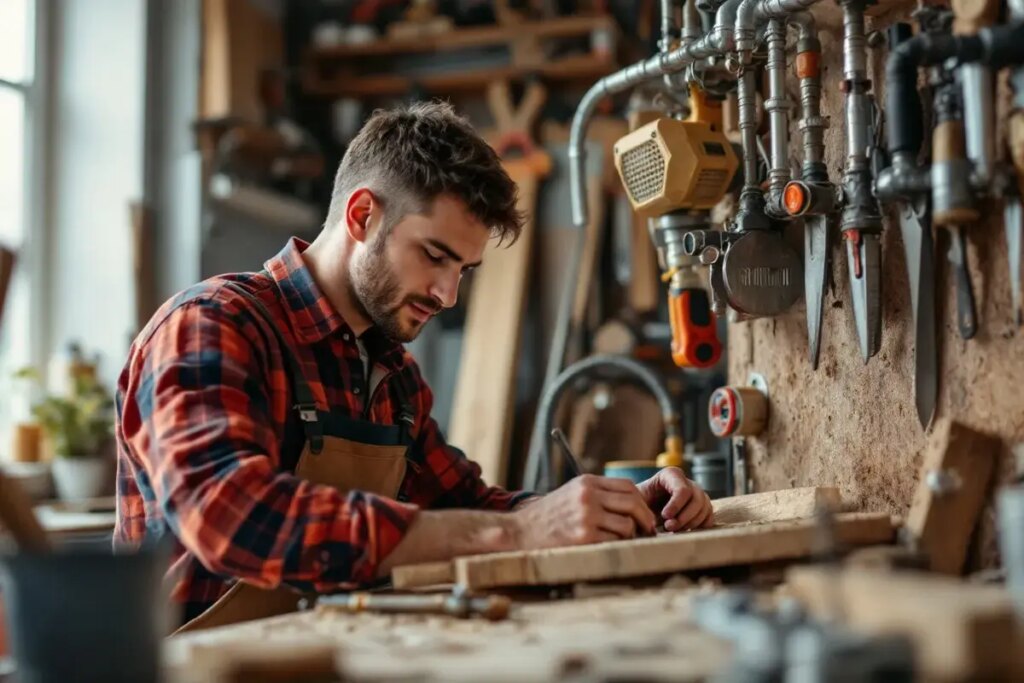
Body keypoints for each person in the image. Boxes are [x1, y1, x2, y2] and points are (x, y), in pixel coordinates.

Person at [114, 101, 714, 631]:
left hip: (318, 655)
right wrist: (516, 535)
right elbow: (228, 516)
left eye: (464, 271)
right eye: (434, 255)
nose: (448, 294)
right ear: (361, 217)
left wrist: (608, 507)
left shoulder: (392, 376)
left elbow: (464, 508)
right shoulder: (212, 326)